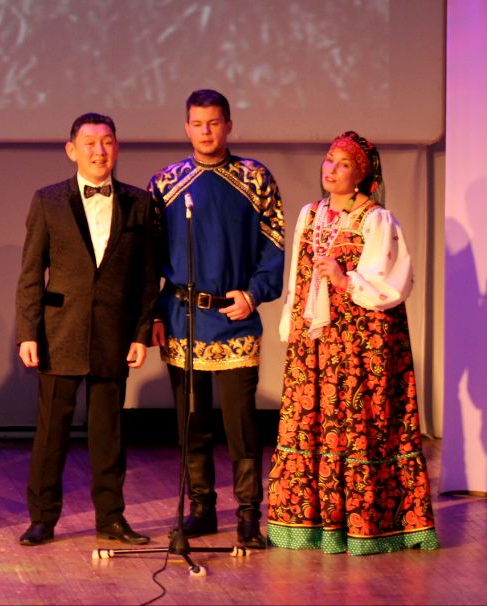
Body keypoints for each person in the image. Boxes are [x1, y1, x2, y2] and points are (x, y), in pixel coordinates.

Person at [267, 131, 438, 555]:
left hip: (360, 345)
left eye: (343, 164)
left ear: (360, 175)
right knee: (311, 422)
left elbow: (392, 282)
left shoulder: (376, 219)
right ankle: (308, 525)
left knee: (359, 425)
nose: (331, 169)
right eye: (329, 159)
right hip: (316, 342)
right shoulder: (310, 214)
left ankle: (368, 527)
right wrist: (293, 322)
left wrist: (345, 280)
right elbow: (297, 277)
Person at [147, 89, 284, 549]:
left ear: (228, 125)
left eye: (213, 123)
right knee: (192, 423)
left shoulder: (255, 178)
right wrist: (154, 313)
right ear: (186, 128)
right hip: (183, 316)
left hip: (235, 316)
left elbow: (274, 247)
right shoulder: (165, 183)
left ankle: (248, 513)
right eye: (197, 123)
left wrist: (254, 294)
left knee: (242, 426)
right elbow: (149, 257)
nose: (205, 132)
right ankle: (201, 508)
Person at [14, 114, 158, 547]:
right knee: (51, 432)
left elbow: (146, 278)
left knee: (108, 432)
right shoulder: (48, 200)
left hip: (113, 332)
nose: (99, 151)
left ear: (117, 147)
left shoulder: (139, 202)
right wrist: (27, 332)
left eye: (107, 142)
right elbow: (31, 273)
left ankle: (111, 518)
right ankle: (43, 518)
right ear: (71, 150)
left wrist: (141, 332)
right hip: (60, 331)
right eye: (90, 143)